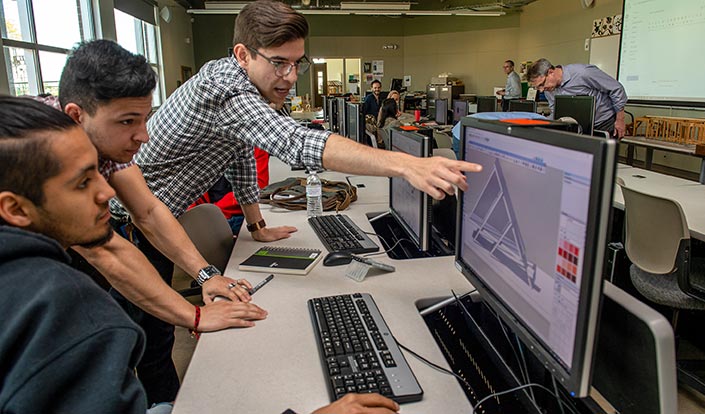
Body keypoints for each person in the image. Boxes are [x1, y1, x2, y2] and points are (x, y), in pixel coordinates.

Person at [0, 96, 401, 414]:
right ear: (15, 209)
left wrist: (202, 289)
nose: (107, 192)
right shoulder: (69, 315)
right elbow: (123, 238)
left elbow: (137, 221)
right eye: (83, 182)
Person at [112, 0, 481, 252]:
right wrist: (406, 164)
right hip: (126, 222)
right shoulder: (224, 89)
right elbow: (294, 142)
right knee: (146, 341)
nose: (289, 77)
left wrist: (257, 227)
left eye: (296, 63)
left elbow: (239, 158)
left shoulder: (239, 86)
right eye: (278, 63)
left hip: (154, 216)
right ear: (243, 55)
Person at [56, 39, 266, 404]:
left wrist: (206, 275)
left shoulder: (104, 141)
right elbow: (107, 251)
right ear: (77, 115)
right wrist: (195, 316)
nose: (144, 135)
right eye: (127, 122)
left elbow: (149, 211)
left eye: (144, 118)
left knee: (145, 337)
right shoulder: (37, 152)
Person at [527, 58, 628, 138]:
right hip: (581, 128)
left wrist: (620, 120)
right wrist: (541, 123)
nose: (541, 90)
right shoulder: (548, 89)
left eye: (542, 84)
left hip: (604, 124)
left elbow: (616, 89)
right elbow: (556, 112)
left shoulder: (582, 73)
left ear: (550, 72)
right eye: (537, 88)